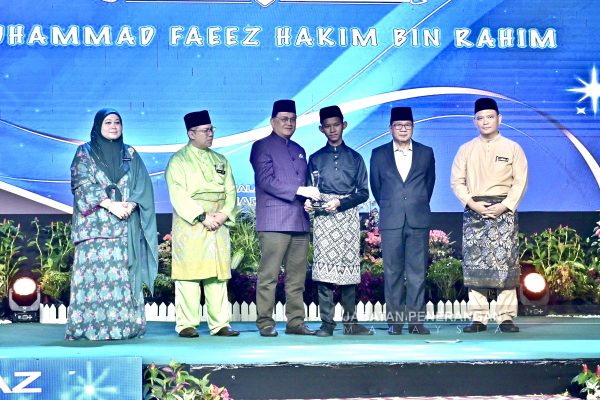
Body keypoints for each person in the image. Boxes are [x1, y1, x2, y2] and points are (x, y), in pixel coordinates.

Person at [66, 108, 158, 340]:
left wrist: (132, 204)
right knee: (93, 281)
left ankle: (124, 328)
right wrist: (110, 205)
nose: (114, 126)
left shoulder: (130, 153)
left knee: (122, 280)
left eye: (117, 122)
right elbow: (81, 184)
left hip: (124, 228)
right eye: (108, 122)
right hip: (94, 230)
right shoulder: (84, 152)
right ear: (98, 126)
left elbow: (142, 184)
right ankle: (89, 330)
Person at [450, 97, 528, 333]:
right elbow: (457, 182)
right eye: (480, 118)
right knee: (475, 264)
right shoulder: (465, 149)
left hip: (504, 211)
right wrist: (472, 204)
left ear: (499, 119)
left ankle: (505, 317)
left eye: (490, 117)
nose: (485, 122)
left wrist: (505, 205)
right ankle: (478, 318)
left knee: (505, 264)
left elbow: (520, 181)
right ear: (474, 121)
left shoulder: (513, 148)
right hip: (475, 212)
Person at [165, 110, 239, 338]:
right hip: (191, 223)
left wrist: (224, 215)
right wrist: (202, 216)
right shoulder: (178, 160)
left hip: (218, 221)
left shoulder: (221, 160)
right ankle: (187, 324)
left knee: (217, 274)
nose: (210, 134)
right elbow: (178, 194)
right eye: (206, 130)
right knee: (189, 274)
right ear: (191, 133)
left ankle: (220, 324)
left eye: (211, 130)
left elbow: (231, 191)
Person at [250, 99, 321, 337]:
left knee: (297, 278)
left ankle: (295, 322)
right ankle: (265, 323)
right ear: (272, 122)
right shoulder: (261, 146)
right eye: (283, 119)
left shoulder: (299, 149)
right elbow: (266, 181)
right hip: (274, 221)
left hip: (300, 220)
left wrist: (308, 199)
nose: (289, 123)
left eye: (292, 119)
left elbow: (306, 183)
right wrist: (300, 190)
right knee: (269, 276)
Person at [304, 105, 372, 337]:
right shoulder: (315, 158)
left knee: (349, 272)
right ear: (321, 129)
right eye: (327, 126)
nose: (332, 130)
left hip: (348, 216)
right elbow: (310, 190)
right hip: (324, 218)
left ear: (344, 125)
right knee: (324, 272)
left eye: (336, 125)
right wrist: (309, 202)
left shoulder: (355, 158)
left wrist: (340, 203)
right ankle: (327, 324)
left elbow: (364, 193)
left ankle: (351, 324)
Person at [370, 106, 435, 335]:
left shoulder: (426, 152)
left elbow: (429, 185)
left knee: (417, 273)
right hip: (391, 220)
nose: (403, 129)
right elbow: (376, 187)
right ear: (390, 128)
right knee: (392, 273)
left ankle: (416, 323)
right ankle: (395, 323)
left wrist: (414, 203)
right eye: (398, 125)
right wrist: (393, 205)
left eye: (407, 125)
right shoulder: (378, 154)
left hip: (418, 219)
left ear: (413, 127)